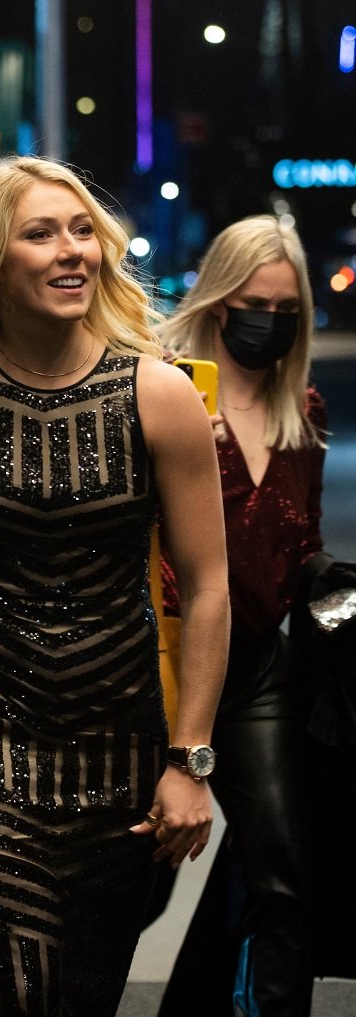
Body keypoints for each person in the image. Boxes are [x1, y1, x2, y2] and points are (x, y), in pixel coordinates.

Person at [0, 154, 231, 1016]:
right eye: (42, 233)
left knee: (83, 995)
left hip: (123, 749)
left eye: (83, 232)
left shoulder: (160, 394)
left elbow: (209, 586)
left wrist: (190, 759)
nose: (74, 252)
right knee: (16, 993)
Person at [149, 214, 331, 1017]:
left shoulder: (304, 412)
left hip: (255, 666)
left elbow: (305, 542)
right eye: (256, 301)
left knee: (284, 871)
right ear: (220, 299)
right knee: (140, 887)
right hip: (160, 659)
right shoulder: (164, 388)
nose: (270, 320)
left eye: (288, 309)